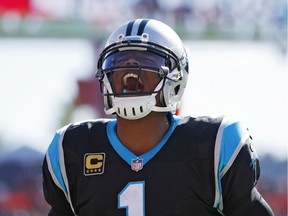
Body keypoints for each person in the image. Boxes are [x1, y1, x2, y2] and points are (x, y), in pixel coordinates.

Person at [42, 18, 274, 216]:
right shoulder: (70, 149)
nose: (130, 73)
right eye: (119, 64)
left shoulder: (216, 145)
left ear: (175, 80)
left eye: (146, 63)